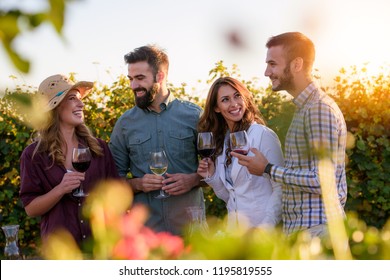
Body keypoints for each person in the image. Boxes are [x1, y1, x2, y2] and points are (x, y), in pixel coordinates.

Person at [231, 32, 348, 237]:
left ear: (296, 64)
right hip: (306, 230)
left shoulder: (318, 109)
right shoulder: (304, 108)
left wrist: (267, 168)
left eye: (273, 64)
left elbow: (321, 179)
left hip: (318, 231)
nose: (267, 72)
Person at [108, 45, 205, 236]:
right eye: (131, 79)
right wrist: (138, 184)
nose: (133, 86)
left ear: (160, 76)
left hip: (191, 233)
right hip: (145, 237)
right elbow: (112, 183)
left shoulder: (195, 116)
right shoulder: (125, 123)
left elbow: (220, 170)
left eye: (140, 78)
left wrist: (193, 179)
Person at [19, 74, 119, 248]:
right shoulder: (34, 155)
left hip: (99, 246)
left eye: (80, 99)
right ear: (55, 108)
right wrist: (60, 189)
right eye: (73, 98)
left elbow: (116, 193)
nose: (81, 104)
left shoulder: (99, 148)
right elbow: (31, 209)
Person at [197, 76, 284, 231]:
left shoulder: (262, 135)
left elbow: (281, 188)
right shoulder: (224, 143)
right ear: (216, 108)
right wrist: (212, 176)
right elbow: (231, 196)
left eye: (237, 96)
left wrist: (265, 228)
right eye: (225, 99)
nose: (234, 104)